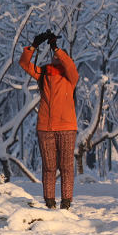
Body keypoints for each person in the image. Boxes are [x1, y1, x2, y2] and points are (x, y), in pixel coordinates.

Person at [19, 30, 79, 210]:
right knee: (49, 167)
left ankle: (66, 201)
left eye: (59, 56)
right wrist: (34, 45)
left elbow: (70, 66)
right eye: (54, 56)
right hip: (45, 127)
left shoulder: (70, 77)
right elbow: (24, 63)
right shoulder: (43, 74)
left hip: (67, 126)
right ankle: (50, 201)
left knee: (66, 166)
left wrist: (55, 48)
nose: (56, 58)